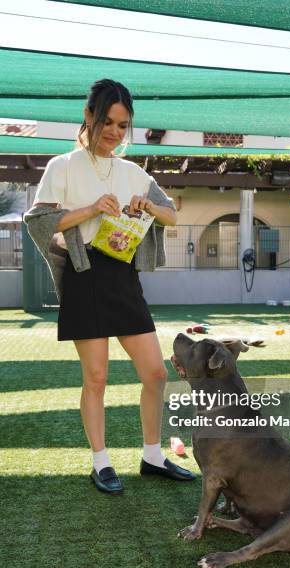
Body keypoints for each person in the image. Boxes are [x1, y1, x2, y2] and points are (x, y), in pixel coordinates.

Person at [26, 78, 196, 494]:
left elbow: (171, 215)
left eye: (123, 125)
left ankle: (153, 457)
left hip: (123, 277)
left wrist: (147, 205)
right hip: (84, 276)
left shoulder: (134, 172)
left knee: (155, 373)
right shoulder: (61, 166)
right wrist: (90, 209)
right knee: (97, 378)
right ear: (89, 116)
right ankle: (100, 463)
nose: (115, 133)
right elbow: (39, 221)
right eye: (108, 122)